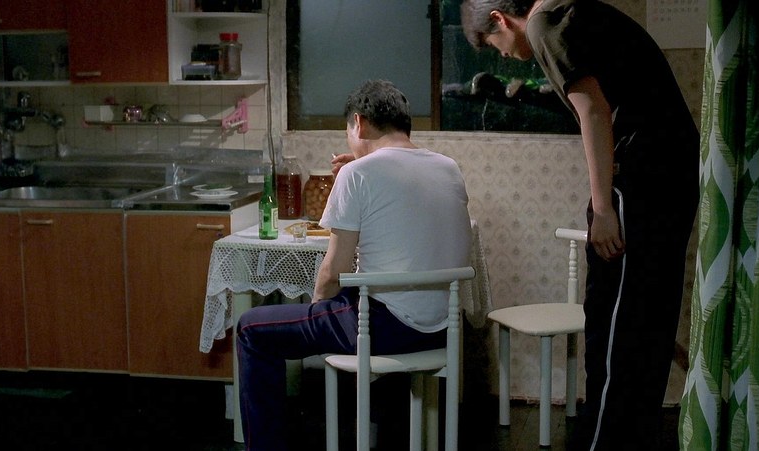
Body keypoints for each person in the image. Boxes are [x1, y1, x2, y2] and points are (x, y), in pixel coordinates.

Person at [459, 1, 699, 450]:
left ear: (499, 19)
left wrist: (603, 208)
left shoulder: (543, 24)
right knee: (645, 328)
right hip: (670, 172)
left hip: (644, 174)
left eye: (494, 45)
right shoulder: (570, 11)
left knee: (614, 334)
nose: (503, 55)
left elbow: (593, 112)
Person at [236, 79, 472, 451]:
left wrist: (317, 310)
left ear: (358, 123)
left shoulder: (357, 174)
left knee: (251, 328)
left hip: (386, 328)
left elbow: (333, 272)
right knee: (362, 300)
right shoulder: (448, 167)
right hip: (442, 328)